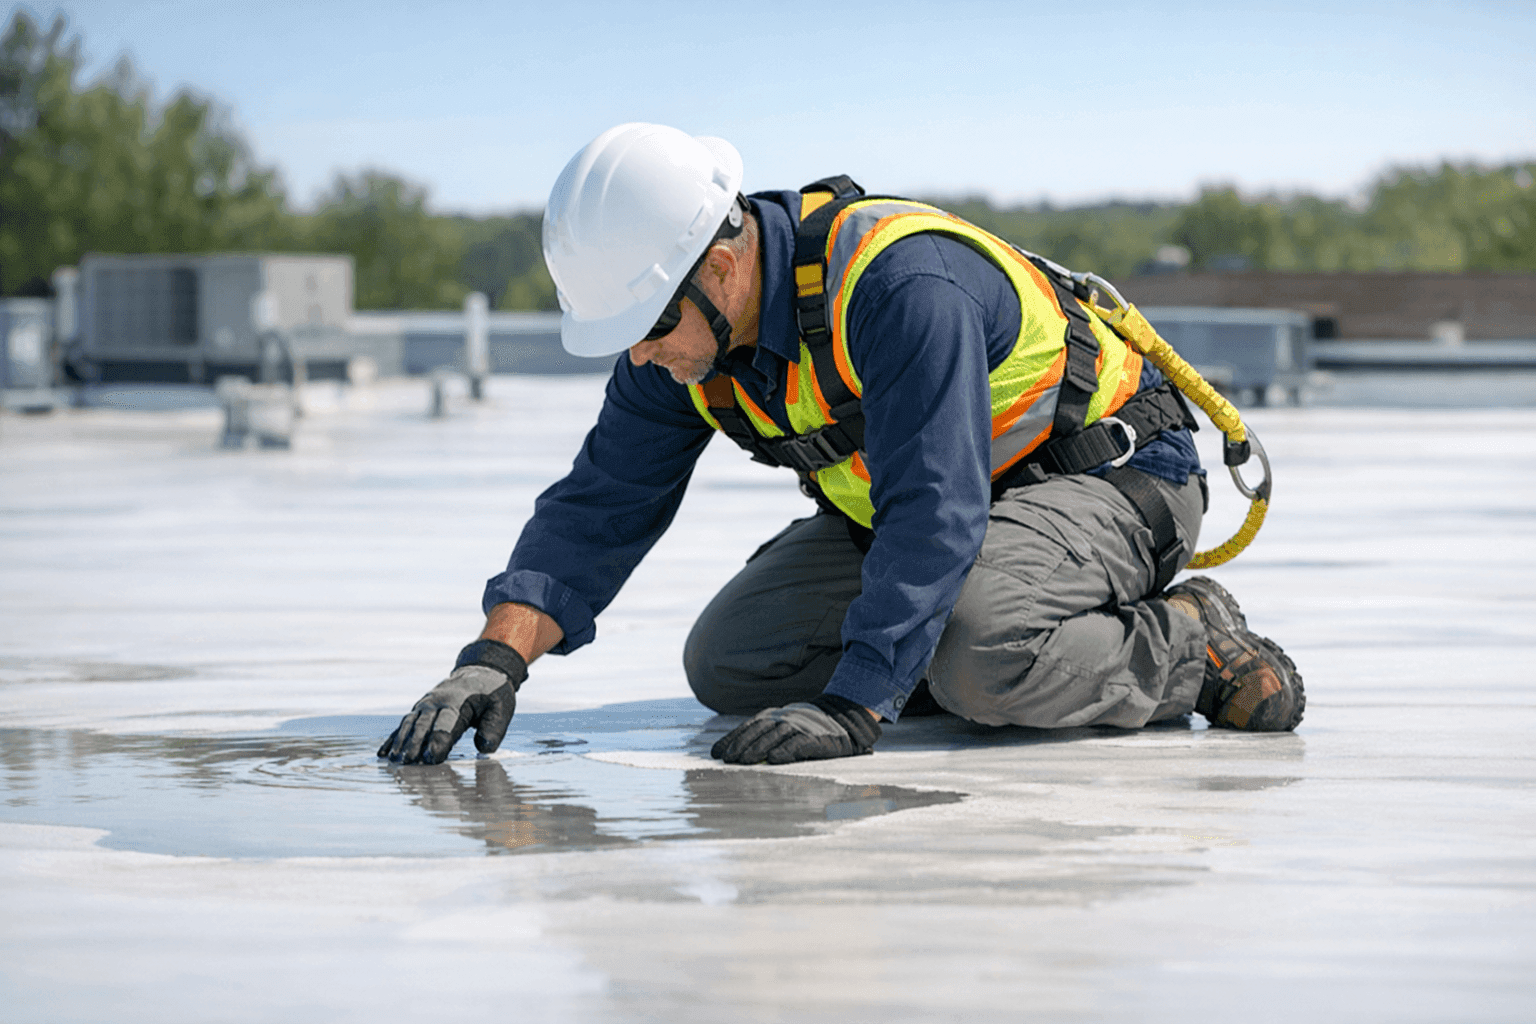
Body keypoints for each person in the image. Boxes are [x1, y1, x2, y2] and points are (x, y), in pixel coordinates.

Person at [378, 123, 1304, 767]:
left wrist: (857, 701)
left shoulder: (899, 287)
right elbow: (601, 502)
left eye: (647, 326)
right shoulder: (681, 345)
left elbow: (934, 507)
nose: (642, 355)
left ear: (721, 267)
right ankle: (973, 647)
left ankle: (1190, 643)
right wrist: (494, 660)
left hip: (1110, 478)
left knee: (980, 656)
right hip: (950, 515)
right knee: (733, 660)